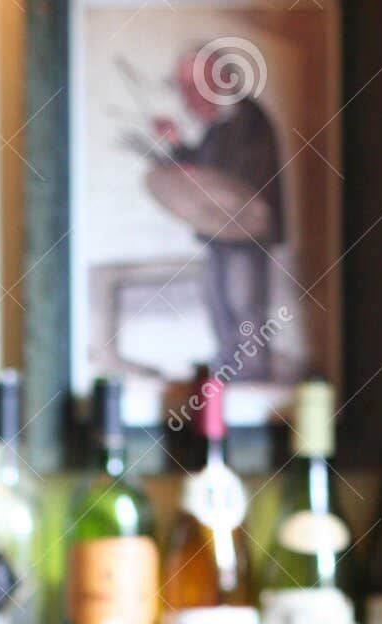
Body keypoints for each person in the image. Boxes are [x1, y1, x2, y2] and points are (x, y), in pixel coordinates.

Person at [144, 44, 286, 379]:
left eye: (192, 88)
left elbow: (232, 180)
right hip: (222, 232)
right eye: (184, 88)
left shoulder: (249, 120)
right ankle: (230, 374)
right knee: (218, 301)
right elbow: (203, 172)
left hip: (246, 235)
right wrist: (177, 145)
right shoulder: (220, 127)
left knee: (243, 303)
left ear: (218, 80)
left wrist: (195, 168)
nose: (187, 98)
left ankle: (251, 375)